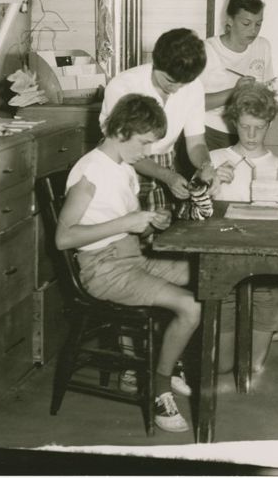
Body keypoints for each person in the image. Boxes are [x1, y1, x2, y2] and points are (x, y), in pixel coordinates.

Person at [56, 94, 202, 433]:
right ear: (121, 130)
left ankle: (167, 360)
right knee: (191, 306)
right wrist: (127, 223)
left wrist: (152, 221)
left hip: (131, 255)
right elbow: (63, 238)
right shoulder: (91, 172)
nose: (147, 152)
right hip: (102, 268)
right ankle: (160, 387)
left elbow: (123, 219)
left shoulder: (122, 167)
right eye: (144, 143)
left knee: (208, 276)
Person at [207, 84, 278, 375]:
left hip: (263, 266)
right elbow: (197, 217)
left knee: (252, 367)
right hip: (222, 261)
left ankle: (264, 329)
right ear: (233, 122)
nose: (250, 136)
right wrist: (208, 186)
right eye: (244, 126)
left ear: (269, 124)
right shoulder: (213, 160)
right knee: (221, 367)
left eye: (258, 128)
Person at [98, 27, 211, 214]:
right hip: (120, 162)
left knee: (161, 231)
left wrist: (206, 166)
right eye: (170, 80)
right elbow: (123, 148)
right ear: (156, 62)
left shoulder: (194, 87)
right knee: (120, 229)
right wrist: (167, 176)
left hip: (164, 162)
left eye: (184, 83)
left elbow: (196, 144)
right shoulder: (123, 86)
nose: (176, 89)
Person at [203, 0, 276, 150]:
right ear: (229, 20)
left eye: (258, 24)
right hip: (211, 133)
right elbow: (194, 104)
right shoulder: (207, 50)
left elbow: (267, 90)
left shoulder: (262, 46)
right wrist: (234, 92)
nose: (253, 30)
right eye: (246, 23)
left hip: (250, 132)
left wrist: (269, 90)